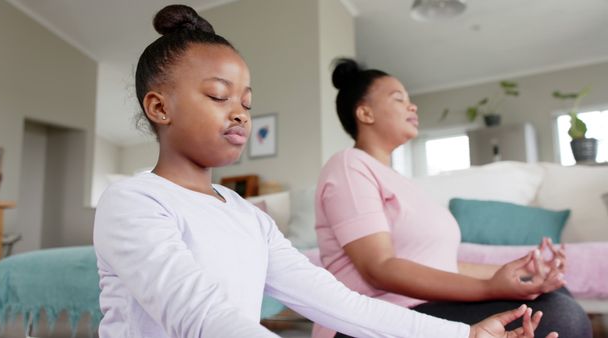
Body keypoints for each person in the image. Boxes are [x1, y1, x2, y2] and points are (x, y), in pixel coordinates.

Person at [93, 5, 558, 338]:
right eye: (219, 96)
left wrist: (465, 336)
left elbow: (340, 303)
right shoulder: (132, 202)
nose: (239, 113)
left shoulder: (248, 216)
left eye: (246, 102)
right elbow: (200, 316)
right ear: (158, 107)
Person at [313, 58, 591, 338]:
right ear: (365, 114)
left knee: (554, 291)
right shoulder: (349, 165)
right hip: (368, 320)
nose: (413, 106)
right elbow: (378, 268)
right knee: (561, 317)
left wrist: (527, 274)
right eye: (398, 99)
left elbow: (446, 266)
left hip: (421, 307)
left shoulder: (401, 182)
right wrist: (489, 288)